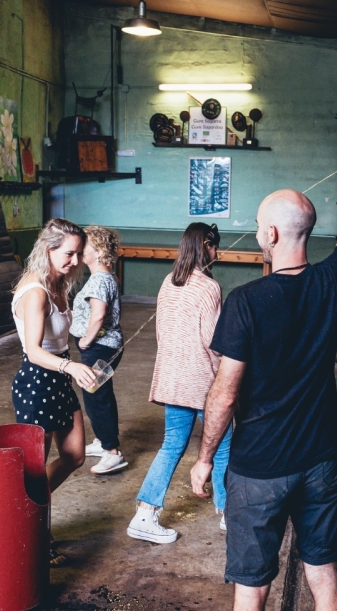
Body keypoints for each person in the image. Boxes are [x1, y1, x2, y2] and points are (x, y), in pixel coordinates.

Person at [190, 137, 337, 610]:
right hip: (319, 459)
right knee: (322, 568)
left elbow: (225, 394)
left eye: (257, 227)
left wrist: (205, 457)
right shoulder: (332, 280)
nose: (255, 234)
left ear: (271, 235)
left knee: (252, 586)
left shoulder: (246, 302)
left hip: (259, 469)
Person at [127, 223, 231, 544]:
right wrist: (225, 380)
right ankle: (230, 513)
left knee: (171, 445)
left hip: (173, 379)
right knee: (224, 445)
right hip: (202, 382)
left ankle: (144, 515)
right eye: (213, 246)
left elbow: (162, 335)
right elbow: (214, 342)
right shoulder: (210, 288)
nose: (217, 253)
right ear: (205, 247)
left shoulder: (167, 282)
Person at [11, 218, 97, 565]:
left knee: (75, 454)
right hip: (37, 380)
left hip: (59, 376)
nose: (75, 261)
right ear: (48, 249)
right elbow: (33, 350)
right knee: (35, 467)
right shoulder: (35, 291)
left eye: (79, 254)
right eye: (68, 254)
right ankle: (34, 528)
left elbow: (60, 338)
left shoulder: (59, 283)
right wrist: (71, 366)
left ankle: (27, 507)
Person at [70, 226, 128, 475]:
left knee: (96, 398)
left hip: (99, 347)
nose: (81, 252)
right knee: (99, 394)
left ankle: (113, 452)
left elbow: (99, 314)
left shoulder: (99, 279)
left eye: (85, 248)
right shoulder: (105, 277)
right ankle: (103, 442)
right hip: (102, 347)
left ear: (97, 252)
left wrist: (86, 339)